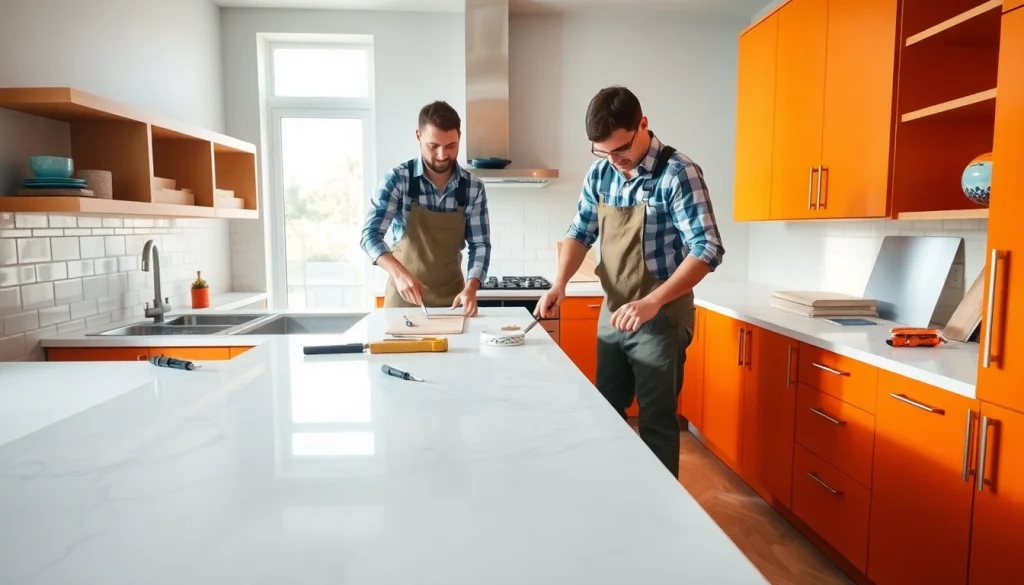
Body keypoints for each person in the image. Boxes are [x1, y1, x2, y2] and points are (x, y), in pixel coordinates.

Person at [537, 86, 725, 477]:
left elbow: (707, 248)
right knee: (605, 411)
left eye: (620, 149)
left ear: (643, 125)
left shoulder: (678, 173)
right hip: (614, 312)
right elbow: (579, 231)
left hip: (660, 317)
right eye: (602, 151)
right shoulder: (601, 172)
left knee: (656, 422)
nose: (614, 160)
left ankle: (660, 517)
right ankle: (617, 497)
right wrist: (560, 284)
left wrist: (654, 300)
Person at [360, 101, 491, 315]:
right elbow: (370, 236)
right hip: (403, 301)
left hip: (454, 302)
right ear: (418, 136)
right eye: (433, 146)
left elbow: (480, 245)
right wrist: (400, 275)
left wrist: (471, 288)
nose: (442, 155)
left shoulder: (473, 188)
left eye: (451, 146)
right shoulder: (398, 180)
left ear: (459, 137)